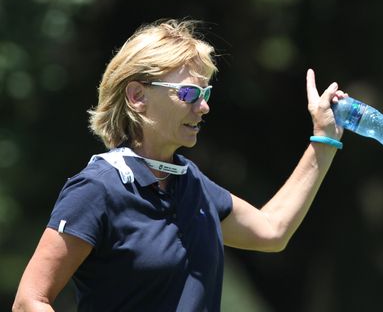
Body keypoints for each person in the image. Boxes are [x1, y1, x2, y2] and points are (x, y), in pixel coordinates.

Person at [13, 19, 347, 311]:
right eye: (188, 94)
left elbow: (272, 231)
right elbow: (30, 300)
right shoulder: (97, 188)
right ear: (137, 97)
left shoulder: (191, 183)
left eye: (206, 95)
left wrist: (324, 139)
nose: (203, 108)